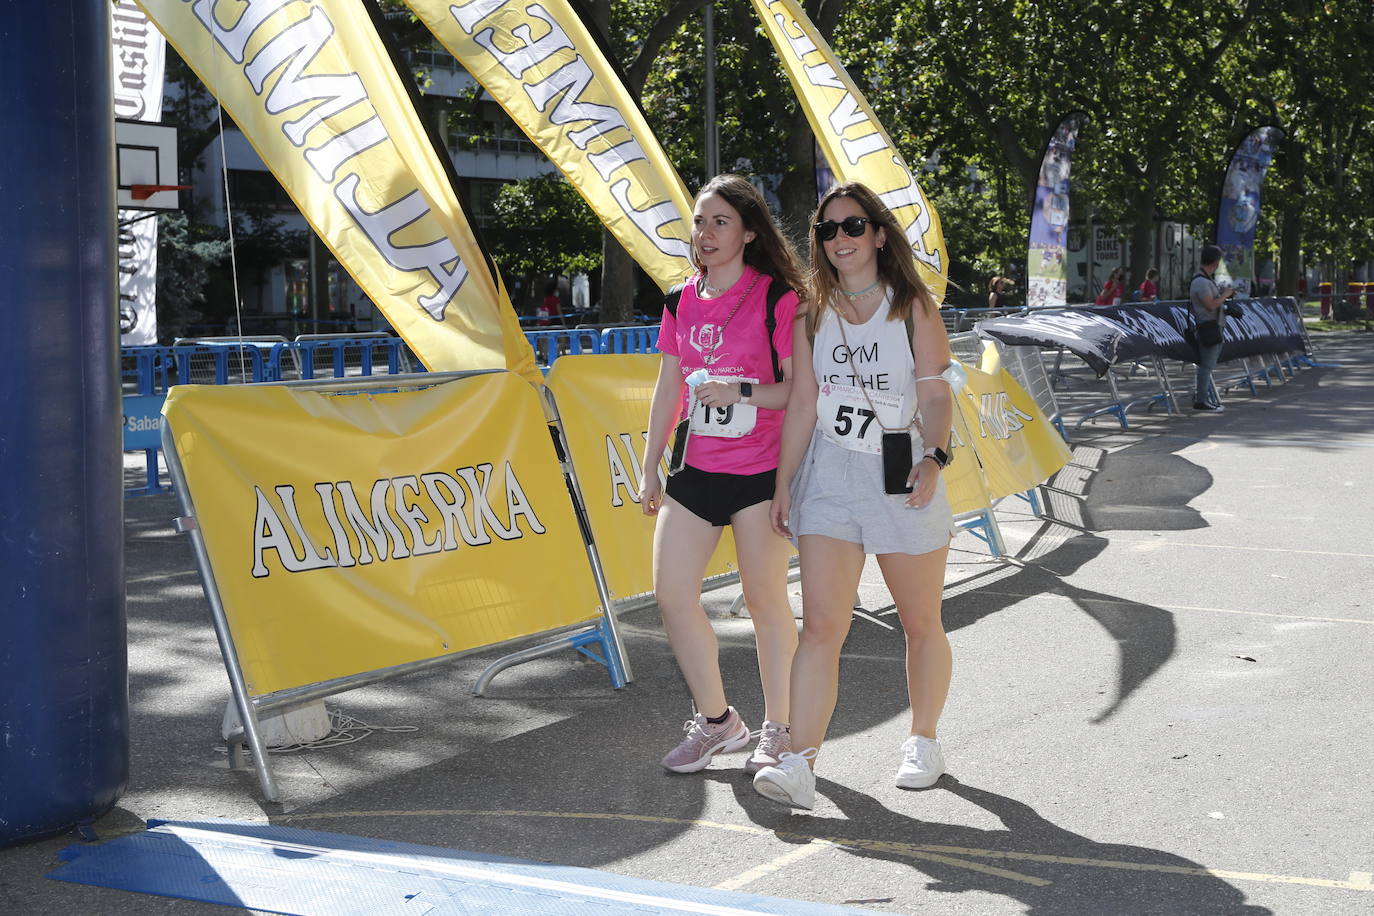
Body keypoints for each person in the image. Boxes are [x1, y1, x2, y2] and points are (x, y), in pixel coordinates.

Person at [752, 182, 957, 810]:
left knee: (919, 622)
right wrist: (785, 482)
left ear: (876, 234)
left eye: (852, 226)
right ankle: (799, 762)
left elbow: (935, 392)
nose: (839, 239)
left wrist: (934, 456)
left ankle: (924, 739)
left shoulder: (912, 305)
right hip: (831, 478)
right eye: (827, 230)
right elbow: (806, 404)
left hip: (900, 472)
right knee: (820, 626)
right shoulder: (812, 312)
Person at [638, 174, 807, 776]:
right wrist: (650, 463)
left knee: (765, 601)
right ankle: (717, 722)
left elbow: (796, 391)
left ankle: (780, 729)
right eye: (700, 222)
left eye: (720, 222)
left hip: (760, 472)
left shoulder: (777, 298)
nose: (705, 234)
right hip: (695, 469)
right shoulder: (680, 300)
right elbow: (667, 387)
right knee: (672, 594)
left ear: (749, 233)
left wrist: (739, 390)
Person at [1190, 245, 1234, 413]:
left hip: (1212, 325)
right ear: (1215, 262)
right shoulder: (1201, 281)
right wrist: (1225, 295)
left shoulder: (1205, 280)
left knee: (1208, 365)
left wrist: (1221, 294)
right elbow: (1210, 305)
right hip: (1208, 327)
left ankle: (1202, 397)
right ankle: (1201, 400)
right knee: (1206, 365)